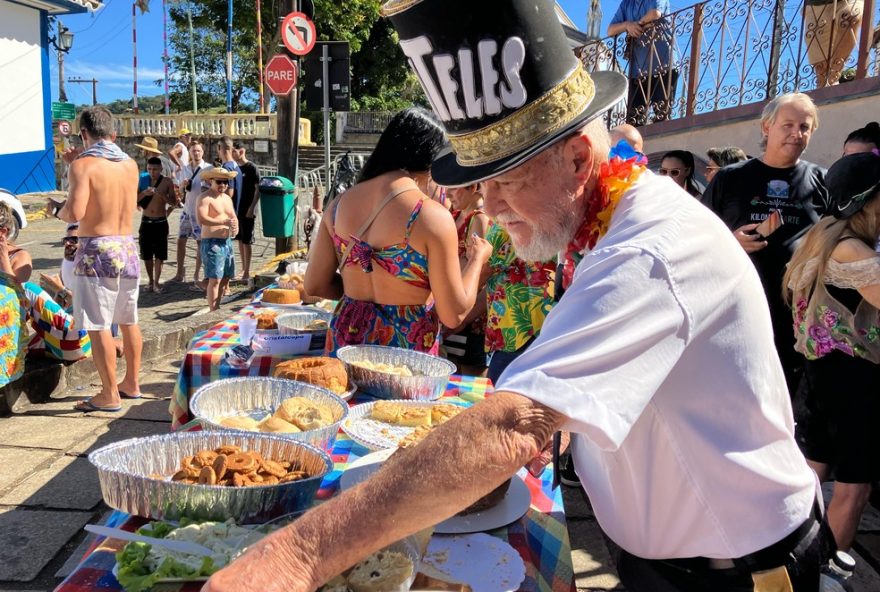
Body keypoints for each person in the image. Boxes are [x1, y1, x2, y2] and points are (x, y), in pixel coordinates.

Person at [205, 3, 830, 590]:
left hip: (742, 570)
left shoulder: (649, 248)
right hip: (671, 557)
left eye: (505, 182)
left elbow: (511, 423)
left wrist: (295, 556)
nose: (489, 209)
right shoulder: (606, 219)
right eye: (481, 186)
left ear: (581, 160)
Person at [304, 107, 491, 356]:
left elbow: (314, 284)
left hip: (345, 343)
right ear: (433, 161)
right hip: (405, 354)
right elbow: (453, 314)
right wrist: (478, 259)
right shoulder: (431, 216)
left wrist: (356, 295)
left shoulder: (338, 206)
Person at [701, 92, 830, 396]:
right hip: (739, 311)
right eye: (787, 125)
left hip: (797, 316)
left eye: (804, 127)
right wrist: (729, 241)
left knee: (786, 395)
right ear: (766, 127)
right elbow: (698, 235)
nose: (796, 134)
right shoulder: (729, 179)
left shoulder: (823, 181)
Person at [783, 152, 880, 552]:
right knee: (853, 489)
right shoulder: (853, 249)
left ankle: (791, 559)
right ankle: (828, 572)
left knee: (810, 476)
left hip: (819, 374)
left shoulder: (820, 235)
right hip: (855, 382)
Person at [54, 106, 143, 411]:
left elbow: (76, 213)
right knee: (128, 320)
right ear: (112, 132)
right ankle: (131, 382)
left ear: (84, 133)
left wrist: (57, 209)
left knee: (98, 324)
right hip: (127, 246)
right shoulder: (130, 164)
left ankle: (109, 394)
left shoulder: (84, 165)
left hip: (97, 249)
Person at [483, 223, 556, 384]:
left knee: (498, 396)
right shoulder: (555, 217)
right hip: (550, 327)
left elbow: (481, 270)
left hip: (516, 331)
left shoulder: (505, 224)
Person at [443, 183, 491, 375]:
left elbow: (483, 271)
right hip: (454, 309)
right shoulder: (454, 215)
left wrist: (463, 315)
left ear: (474, 188)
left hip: (468, 316)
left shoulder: (479, 219)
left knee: (470, 380)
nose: (447, 193)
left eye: (454, 188)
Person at [608, 0, 678, 125]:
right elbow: (610, 30)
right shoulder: (626, 4)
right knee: (634, 121)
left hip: (664, 66)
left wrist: (636, 25)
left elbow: (655, 13)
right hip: (638, 72)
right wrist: (627, 25)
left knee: (661, 118)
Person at [197, 167, 239, 311]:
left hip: (226, 242)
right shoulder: (205, 198)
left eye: (225, 182)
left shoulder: (227, 198)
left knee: (226, 277)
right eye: (219, 182)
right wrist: (223, 222)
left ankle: (217, 305)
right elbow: (202, 219)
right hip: (212, 242)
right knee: (214, 279)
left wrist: (235, 226)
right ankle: (213, 309)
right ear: (211, 181)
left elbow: (233, 216)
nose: (223, 185)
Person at [172, 141, 210, 287]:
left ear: (203, 152)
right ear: (190, 152)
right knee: (181, 241)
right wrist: (182, 186)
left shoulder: (208, 169)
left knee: (200, 243)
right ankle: (179, 273)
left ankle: (197, 274)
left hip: (200, 212)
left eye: (198, 151)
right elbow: (180, 192)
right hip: (187, 210)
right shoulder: (185, 169)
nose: (196, 153)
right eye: (193, 151)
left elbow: (212, 189)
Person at [136, 156, 177, 293]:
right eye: (149, 169)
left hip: (160, 221)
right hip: (146, 221)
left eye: (155, 169)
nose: (152, 172)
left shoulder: (167, 181)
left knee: (160, 254)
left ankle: (157, 282)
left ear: (160, 169)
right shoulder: (142, 180)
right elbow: (134, 200)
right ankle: (150, 280)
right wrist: (143, 193)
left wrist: (162, 195)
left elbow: (174, 202)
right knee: (146, 254)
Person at [804, 0, 864, 87]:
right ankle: (825, 88)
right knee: (821, 69)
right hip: (816, 5)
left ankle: (833, 76)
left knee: (849, 17)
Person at [232, 141, 260, 283]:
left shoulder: (251, 168)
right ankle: (243, 269)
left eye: (234, 151)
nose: (232, 154)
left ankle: (247, 270)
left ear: (241, 151)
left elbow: (257, 189)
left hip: (248, 208)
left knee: (247, 240)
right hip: (236, 208)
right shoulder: (235, 168)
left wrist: (252, 207)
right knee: (240, 239)